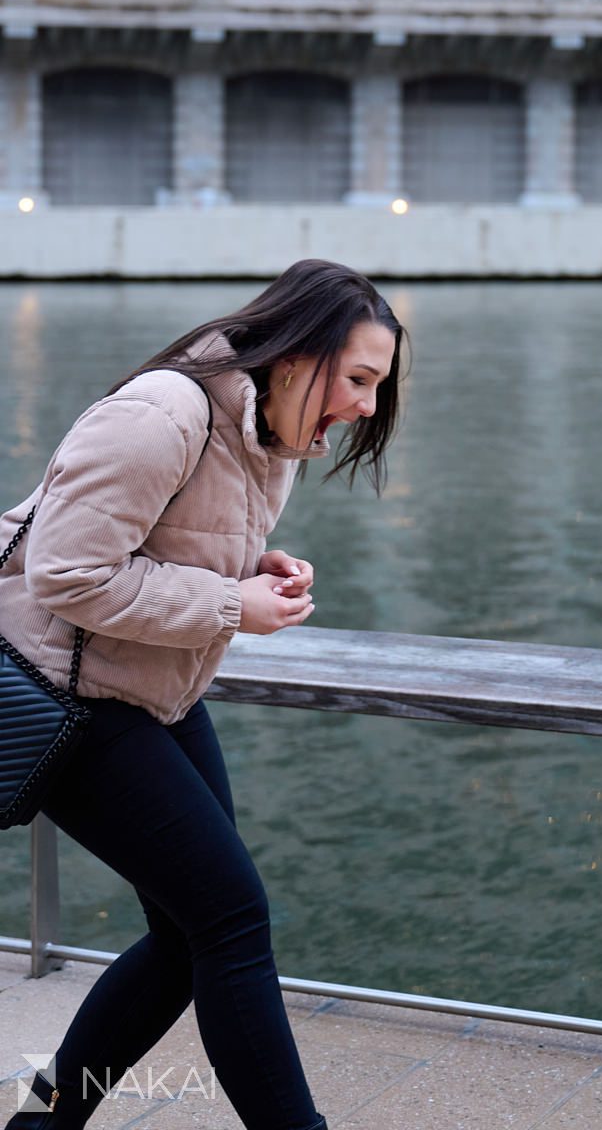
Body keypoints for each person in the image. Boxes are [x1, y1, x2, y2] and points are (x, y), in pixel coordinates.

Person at [0, 258, 408, 1130]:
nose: (368, 406)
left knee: (191, 938)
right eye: (361, 379)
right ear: (299, 355)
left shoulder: (271, 430)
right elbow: (65, 573)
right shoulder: (162, 413)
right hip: (62, 691)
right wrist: (232, 602)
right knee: (229, 919)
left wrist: (250, 569)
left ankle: (41, 1122)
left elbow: (166, 538)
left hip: (149, 686)